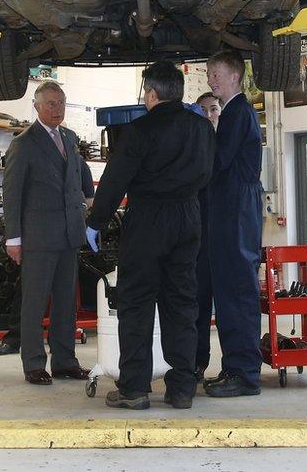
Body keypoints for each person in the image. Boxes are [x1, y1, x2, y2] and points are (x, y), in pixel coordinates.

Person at [87, 61, 216, 410]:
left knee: (137, 303)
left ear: (152, 94)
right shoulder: (203, 129)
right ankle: (182, 389)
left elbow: (115, 180)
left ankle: (134, 388)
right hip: (189, 217)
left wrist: (96, 222)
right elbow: (207, 173)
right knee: (181, 304)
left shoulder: (139, 130)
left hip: (148, 219)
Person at [2, 81, 89, 384]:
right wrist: (13, 238)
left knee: (66, 303)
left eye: (62, 103)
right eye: (51, 103)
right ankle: (34, 364)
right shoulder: (23, 143)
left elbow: (77, 180)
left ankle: (65, 361)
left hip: (69, 234)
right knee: (35, 303)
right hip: (38, 237)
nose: (57, 109)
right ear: (37, 106)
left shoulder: (69, 137)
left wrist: (86, 220)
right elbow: (11, 194)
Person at [203, 49, 264, 397]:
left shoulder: (237, 112)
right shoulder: (234, 112)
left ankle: (244, 374)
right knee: (228, 290)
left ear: (235, 76)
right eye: (209, 73)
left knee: (238, 290)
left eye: (216, 73)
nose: (211, 79)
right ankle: (234, 367)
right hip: (233, 207)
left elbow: (218, 161)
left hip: (237, 209)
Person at [0, 158, 95, 357]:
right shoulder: (30, 153)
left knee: (64, 296)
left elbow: (89, 195)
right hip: (36, 236)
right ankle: (15, 339)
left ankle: (63, 356)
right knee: (28, 292)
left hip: (66, 238)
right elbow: (14, 194)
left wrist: (86, 216)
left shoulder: (75, 160)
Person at [193, 92, 220, 380]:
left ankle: (232, 366)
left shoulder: (229, 144)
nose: (209, 115)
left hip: (225, 239)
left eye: (213, 109)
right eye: (203, 110)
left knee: (228, 307)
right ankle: (197, 363)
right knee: (197, 305)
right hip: (198, 240)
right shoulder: (193, 148)